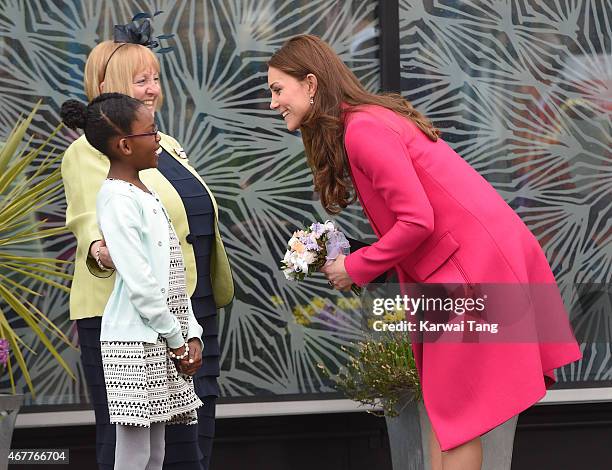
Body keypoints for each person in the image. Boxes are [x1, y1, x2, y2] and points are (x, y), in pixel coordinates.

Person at [267, 34, 582, 470]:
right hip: (460, 271)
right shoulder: (364, 123)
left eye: (277, 89)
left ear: (312, 83)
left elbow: (417, 221)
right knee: (446, 414)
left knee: (457, 418)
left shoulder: (363, 130)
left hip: (468, 275)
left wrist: (355, 267)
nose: (272, 102)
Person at [61, 35, 233, 470]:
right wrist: (105, 250)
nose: (154, 88)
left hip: (191, 306)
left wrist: (187, 324)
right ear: (111, 84)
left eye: (156, 78)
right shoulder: (89, 150)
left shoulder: (166, 144)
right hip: (129, 316)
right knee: (134, 440)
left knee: (193, 431)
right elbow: (90, 225)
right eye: (141, 80)